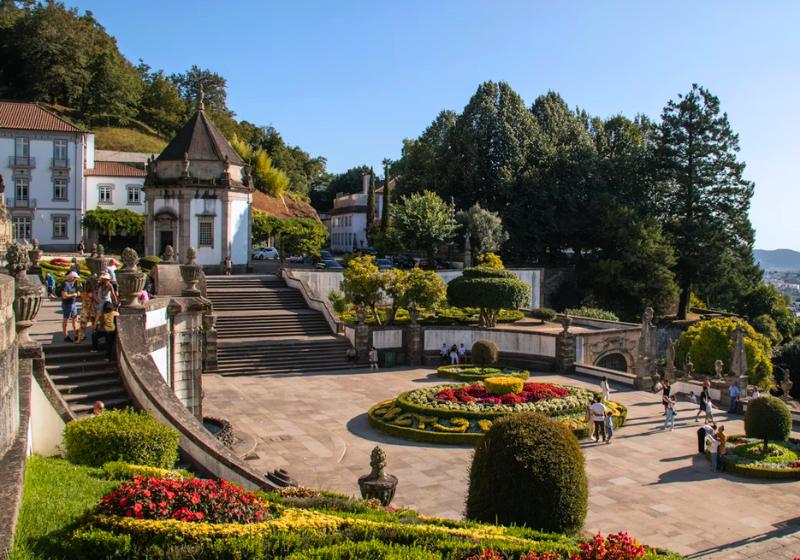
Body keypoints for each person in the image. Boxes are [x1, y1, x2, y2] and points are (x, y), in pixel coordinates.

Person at [60, 271, 80, 342]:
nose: (75, 279)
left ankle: (77, 335)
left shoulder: (73, 284)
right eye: (74, 278)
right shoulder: (65, 284)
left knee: (75, 318)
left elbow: (74, 292)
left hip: (73, 303)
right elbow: (64, 296)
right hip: (67, 304)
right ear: (71, 277)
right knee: (66, 319)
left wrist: (77, 293)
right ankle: (66, 336)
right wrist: (73, 295)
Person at [78, 277, 95, 343]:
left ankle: (80, 338)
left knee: (83, 324)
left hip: (85, 309)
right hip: (90, 309)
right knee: (93, 324)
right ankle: (94, 338)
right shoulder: (91, 292)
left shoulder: (83, 292)